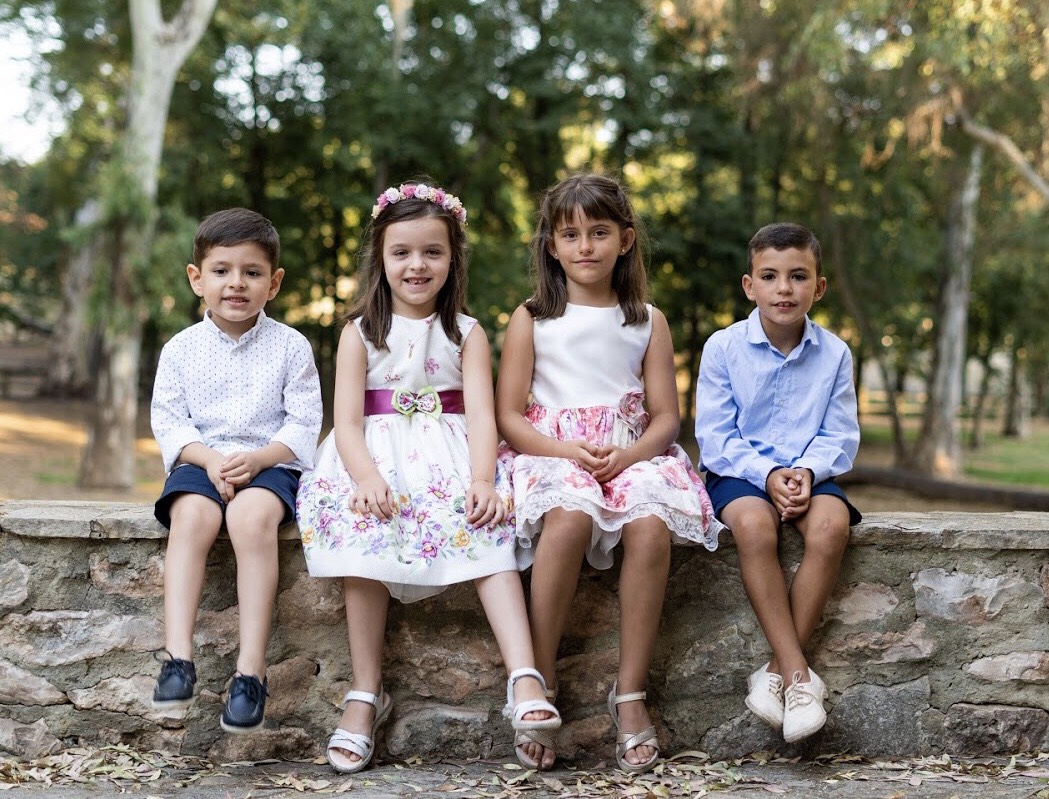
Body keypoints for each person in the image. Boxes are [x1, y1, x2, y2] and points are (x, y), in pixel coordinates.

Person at [296, 181, 560, 774]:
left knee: (486, 527)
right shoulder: (359, 333)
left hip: (451, 451)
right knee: (363, 534)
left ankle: (524, 679)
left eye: (432, 252)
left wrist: (485, 478)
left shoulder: (467, 333)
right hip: (375, 453)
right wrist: (363, 476)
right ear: (381, 258)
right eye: (402, 252)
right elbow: (345, 421)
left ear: (452, 259)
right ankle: (365, 692)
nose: (417, 265)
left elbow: (485, 415)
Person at [496, 173, 721, 773]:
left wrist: (630, 455)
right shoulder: (532, 317)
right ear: (552, 245)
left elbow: (667, 416)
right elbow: (508, 415)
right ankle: (534, 686)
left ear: (625, 240)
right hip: (552, 451)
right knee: (567, 520)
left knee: (649, 525)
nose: (586, 246)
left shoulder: (646, 319)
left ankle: (630, 696)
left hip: (631, 454)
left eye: (600, 233)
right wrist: (566, 452)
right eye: (571, 235)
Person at [150, 208, 323, 733]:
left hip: (269, 464)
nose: (236, 284)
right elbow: (169, 421)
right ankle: (177, 660)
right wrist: (210, 461)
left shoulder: (291, 346)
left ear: (273, 284)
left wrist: (261, 459)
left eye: (251, 273)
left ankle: (250, 672)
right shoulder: (180, 349)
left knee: (250, 520)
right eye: (222, 270)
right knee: (193, 520)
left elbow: (304, 421)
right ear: (196, 278)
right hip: (200, 461)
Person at [694, 222, 862, 744]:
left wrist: (806, 473)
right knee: (754, 526)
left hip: (809, 475)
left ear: (819, 287)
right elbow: (715, 436)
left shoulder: (835, 354)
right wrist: (767, 475)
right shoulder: (723, 348)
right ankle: (796, 674)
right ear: (750, 286)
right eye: (770, 276)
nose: (783, 288)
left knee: (832, 527)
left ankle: (771, 673)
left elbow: (840, 432)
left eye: (797, 276)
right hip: (740, 473)